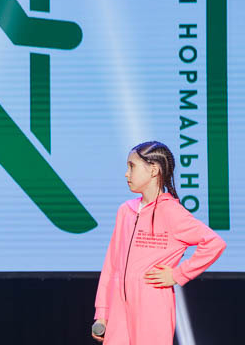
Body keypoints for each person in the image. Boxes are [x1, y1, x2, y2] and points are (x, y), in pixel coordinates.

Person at [92, 141, 226, 344]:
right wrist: (102, 312)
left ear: (153, 170)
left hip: (153, 306)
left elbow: (214, 243)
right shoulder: (125, 211)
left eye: (132, 166)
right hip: (119, 307)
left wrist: (178, 274)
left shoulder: (171, 212)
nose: (126, 174)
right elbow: (111, 265)